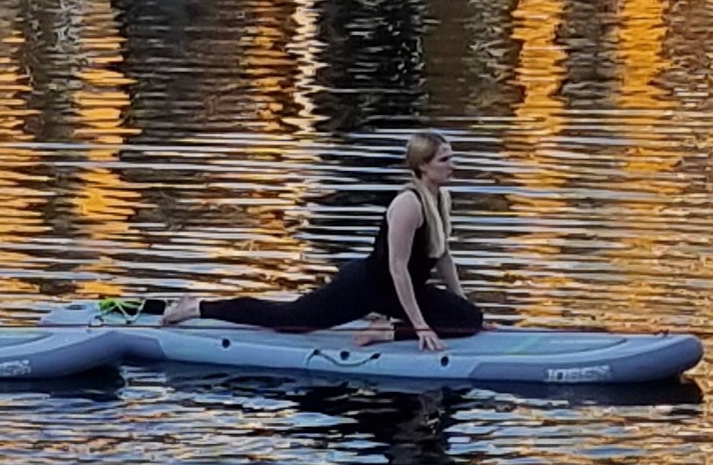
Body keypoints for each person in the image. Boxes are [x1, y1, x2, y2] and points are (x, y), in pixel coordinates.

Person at [151, 132, 488, 352]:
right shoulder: (408, 204)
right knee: (292, 320)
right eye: (445, 159)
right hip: (368, 286)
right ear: (423, 166)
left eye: (451, 157)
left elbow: (442, 255)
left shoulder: (441, 199)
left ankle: (385, 331)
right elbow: (397, 269)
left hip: (401, 291)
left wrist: (462, 302)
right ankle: (196, 307)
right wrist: (419, 326)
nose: (452, 166)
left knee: (469, 318)